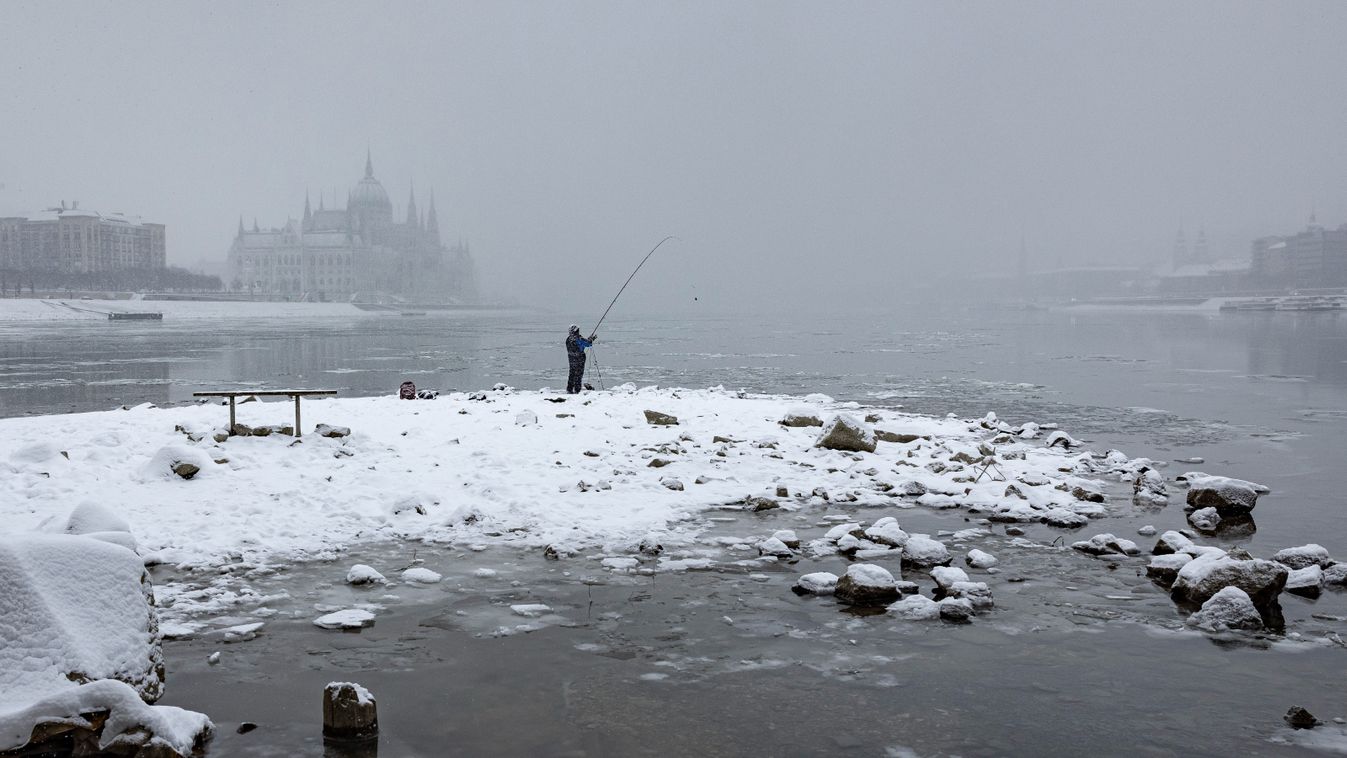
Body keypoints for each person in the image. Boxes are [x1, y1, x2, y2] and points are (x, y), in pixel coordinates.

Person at [565, 324, 596, 394]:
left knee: (572, 374)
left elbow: (584, 343)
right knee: (579, 374)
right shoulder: (579, 339)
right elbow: (588, 344)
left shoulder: (568, 339)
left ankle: (569, 389)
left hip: (571, 359)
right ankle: (577, 390)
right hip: (579, 358)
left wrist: (588, 340)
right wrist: (591, 339)